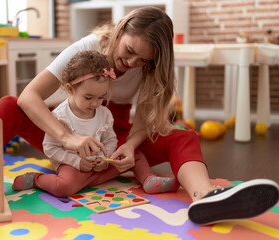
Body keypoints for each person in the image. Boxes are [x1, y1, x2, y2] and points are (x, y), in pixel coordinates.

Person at [0, 6, 278, 225]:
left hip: (113, 135)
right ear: (121, 30)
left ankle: (205, 198)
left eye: (144, 60)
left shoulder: (150, 68)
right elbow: (31, 96)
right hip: (68, 126)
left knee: (183, 133)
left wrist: (131, 144)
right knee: (8, 105)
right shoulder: (89, 48)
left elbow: (144, 120)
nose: (133, 63)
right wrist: (67, 137)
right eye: (130, 51)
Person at [11, 50, 179, 196]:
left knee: (133, 153)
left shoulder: (104, 113)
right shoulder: (60, 116)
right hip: (73, 167)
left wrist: (106, 160)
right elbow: (50, 148)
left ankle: (149, 180)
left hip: (101, 164)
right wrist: (77, 162)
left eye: (101, 97)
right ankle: (36, 179)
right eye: (88, 97)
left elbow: (110, 140)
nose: (95, 103)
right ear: (70, 89)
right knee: (64, 187)